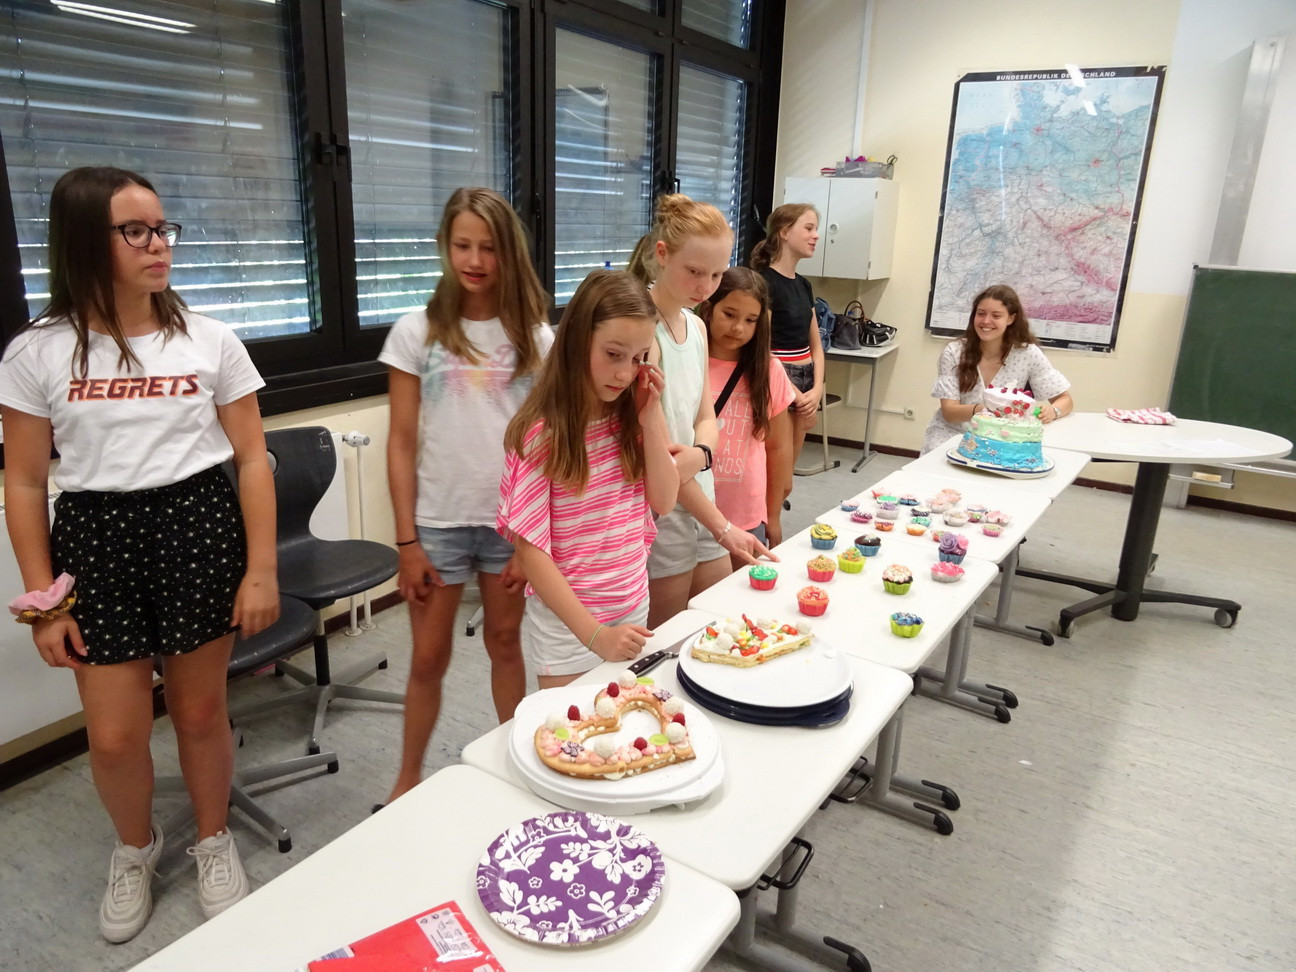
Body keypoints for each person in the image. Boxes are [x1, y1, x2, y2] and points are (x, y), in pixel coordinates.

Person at [0, 166, 277, 942]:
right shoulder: (38, 353)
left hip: (196, 524)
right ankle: (136, 847)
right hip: (96, 540)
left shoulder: (210, 339)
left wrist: (261, 568)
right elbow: (23, 484)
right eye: (137, 231)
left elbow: (253, 459)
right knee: (116, 735)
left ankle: (214, 837)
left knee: (198, 709)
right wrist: (42, 601)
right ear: (89, 240)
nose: (160, 245)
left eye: (163, 229)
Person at [377, 187, 553, 807]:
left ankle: (518, 768)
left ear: (510, 252)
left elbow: (546, 448)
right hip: (437, 526)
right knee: (428, 657)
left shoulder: (537, 338)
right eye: (462, 245)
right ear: (445, 248)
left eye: (488, 247)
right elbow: (400, 443)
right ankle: (407, 777)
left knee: (506, 645)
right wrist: (405, 542)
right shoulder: (416, 333)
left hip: (508, 526)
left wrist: (529, 540)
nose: (474, 259)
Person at [497, 269, 677, 688]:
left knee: (623, 734)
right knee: (573, 738)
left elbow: (665, 500)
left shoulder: (634, 414)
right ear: (579, 342)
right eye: (613, 354)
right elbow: (531, 551)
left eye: (638, 358)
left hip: (631, 605)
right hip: (570, 627)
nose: (625, 373)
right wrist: (594, 635)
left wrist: (651, 418)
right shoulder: (542, 433)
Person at [629, 194, 774, 627]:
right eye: (694, 272)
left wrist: (702, 454)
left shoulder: (695, 325)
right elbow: (660, 460)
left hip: (701, 493)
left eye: (715, 274)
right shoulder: (642, 331)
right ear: (662, 254)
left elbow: (705, 415)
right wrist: (723, 526)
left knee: (712, 623)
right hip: (662, 510)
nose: (705, 287)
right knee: (664, 638)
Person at [698, 268, 796, 569]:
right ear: (708, 308)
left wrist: (774, 514)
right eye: (729, 314)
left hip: (745, 512)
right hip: (693, 509)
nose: (738, 328)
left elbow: (778, 448)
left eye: (750, 320)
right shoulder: (689, 360)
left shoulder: (769, 371)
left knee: (739, 598)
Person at [921, 283, 1074, 454]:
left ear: (1011, 319)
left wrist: (1053, 411)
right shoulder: (954, 352)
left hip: (1001, 441)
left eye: (996, 315)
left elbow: (1065, 400)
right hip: (951, 436)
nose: (986, 321)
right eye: (981, 314)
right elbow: (949, 412)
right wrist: (988, 411)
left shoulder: (1028, 353)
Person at [750, 203, 823, 470]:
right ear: (783, 232)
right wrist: (793, 392)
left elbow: (815, 344)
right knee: (774, 472)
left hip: (805, 380)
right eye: (808, 228)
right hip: (779, 379)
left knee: (787, 475)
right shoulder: (764, 282)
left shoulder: (804, 284)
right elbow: (762, 348)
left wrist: (816, 389)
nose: (816, 235)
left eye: (817, 229)